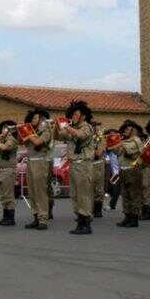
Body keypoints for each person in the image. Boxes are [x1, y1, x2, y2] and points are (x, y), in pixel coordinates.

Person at [58, 100, 95, 235]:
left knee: (83, 195)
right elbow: (60, 135)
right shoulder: (72, 128)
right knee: (75, 194)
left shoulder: (86, 127)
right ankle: (80, 220)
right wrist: (57, 126)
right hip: (74, 164)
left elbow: (80, 135)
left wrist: (66, 126)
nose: (73, 116)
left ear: (83, 116)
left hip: (84, 164)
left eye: (76, 114)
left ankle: (86, 223)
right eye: (72, 114)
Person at [21, 108, 52, 230]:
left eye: (35, 118)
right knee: (32, 192)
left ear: (41, 120)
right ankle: (35, 217)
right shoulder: (31, 132)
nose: (33, 120)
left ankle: (43, 219)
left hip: (40, 162)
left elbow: (38, 142)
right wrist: (21, 133)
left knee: (40, 192)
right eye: (32, 118)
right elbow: (23, 143)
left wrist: (27, 132)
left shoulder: (46, 130)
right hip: (30, 162)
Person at [115, 120, 144, 227]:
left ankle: (134, 218)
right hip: (124, 170)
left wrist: (119, 143)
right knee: (125, 194)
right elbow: (117, 152)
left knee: (133, 194)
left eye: (127, 129)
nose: (125, 131)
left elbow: (129, 151)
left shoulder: (136, 140)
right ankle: (127, 216)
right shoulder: (125, 141)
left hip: (133, 170)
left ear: (133, 130)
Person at [0, 120, 19, 226]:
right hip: (0, 170)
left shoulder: (12, 139)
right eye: (3, 128)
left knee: (8, 195)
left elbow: (6, 147)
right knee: (2, 196)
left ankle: (11, 218)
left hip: (8, 170)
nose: (3, 130)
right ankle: (5, 216)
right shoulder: (1, 140)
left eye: (6, 128)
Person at [104, 130, 122, 210]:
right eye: (110, 135)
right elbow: (106, 150)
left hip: (118, 171)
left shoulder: (119, 145)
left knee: (116, 188)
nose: (112, 136)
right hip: (110, 170)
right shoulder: (108, 148)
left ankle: (112, 204)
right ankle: (111, 204)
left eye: (113, 134)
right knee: (113, 188)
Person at [91, 120, 106, 218]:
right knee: (89, 188)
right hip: (88, 164)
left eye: (96, 128)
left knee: (98, 188)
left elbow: (98, 153)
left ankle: (98, 209)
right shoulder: (89, 139)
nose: (95, 129)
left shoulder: (101, 138)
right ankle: (89, 210)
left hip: (98, 164)